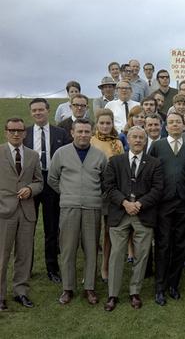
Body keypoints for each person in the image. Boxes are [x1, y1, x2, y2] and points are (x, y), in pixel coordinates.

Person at [102, 126, 163, 311]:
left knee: (142, 255)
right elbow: (109, 187)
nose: (138, 140)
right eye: (134, 137)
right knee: (116, 254)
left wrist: (140, 204)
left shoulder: (154, 163)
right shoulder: (115, 161)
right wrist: (125, 203)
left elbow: (158, 189)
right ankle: (112, 294)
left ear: (145, 141)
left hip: (143, 215)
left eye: (141, 138)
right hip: (120, 215)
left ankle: (134, 292)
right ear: (128, 140)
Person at [47, 118, 107, 305]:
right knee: (68, 248)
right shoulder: (61, 153)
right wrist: (67, 193)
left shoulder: (99, 156)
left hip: (92, 207)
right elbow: (52, 178)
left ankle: (89, 287)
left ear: (92, 133)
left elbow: (105, 182)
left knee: (90, 248)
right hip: (69, 207)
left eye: (87, 132)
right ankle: (68, 288)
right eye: (79, 131)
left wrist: (93, 195)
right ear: (72, 132)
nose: (83, 135)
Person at [24, 98, 70, 283]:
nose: (38, 113)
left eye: (41, 109)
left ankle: (52, 268)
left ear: (48, 110)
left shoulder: (60, 132)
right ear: (31, 113)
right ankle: (26, 268)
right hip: (31, 184)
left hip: (52, 182)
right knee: (28, 228)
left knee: (52, 228)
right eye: (34, 110)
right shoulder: (24, 133)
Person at [149, 112, 185, 306]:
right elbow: (150, 171)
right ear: (166, 127)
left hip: (184, 203)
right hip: (163, 204)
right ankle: (160, 286)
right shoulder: (157, 146)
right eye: (172, 122)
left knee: (180, 246)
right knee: (163, 244)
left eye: (179, 122)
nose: (175, 125)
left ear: (184, 126)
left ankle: (174, 284)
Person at [0, 118, 43, 311]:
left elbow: (39, 181)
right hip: (4, 212)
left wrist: (30, 189)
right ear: (5, 132)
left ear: (25, 133)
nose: (16, 134)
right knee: (2, 255)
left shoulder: (33, 155)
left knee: (24, 255)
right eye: (12, 130)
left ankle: (21, 292)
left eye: (19, 130)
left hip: (26, 211)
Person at [90, 109, 125, 282]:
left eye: (108, 123)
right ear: (97, 123)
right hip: (94, 191)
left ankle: (106, 266)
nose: (105, 126)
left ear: (112, 124)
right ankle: (91, 269)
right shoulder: (90, 141)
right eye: (102, 123)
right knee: (91, 233)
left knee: (108, 232)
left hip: (112, 192)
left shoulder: (117, 143)